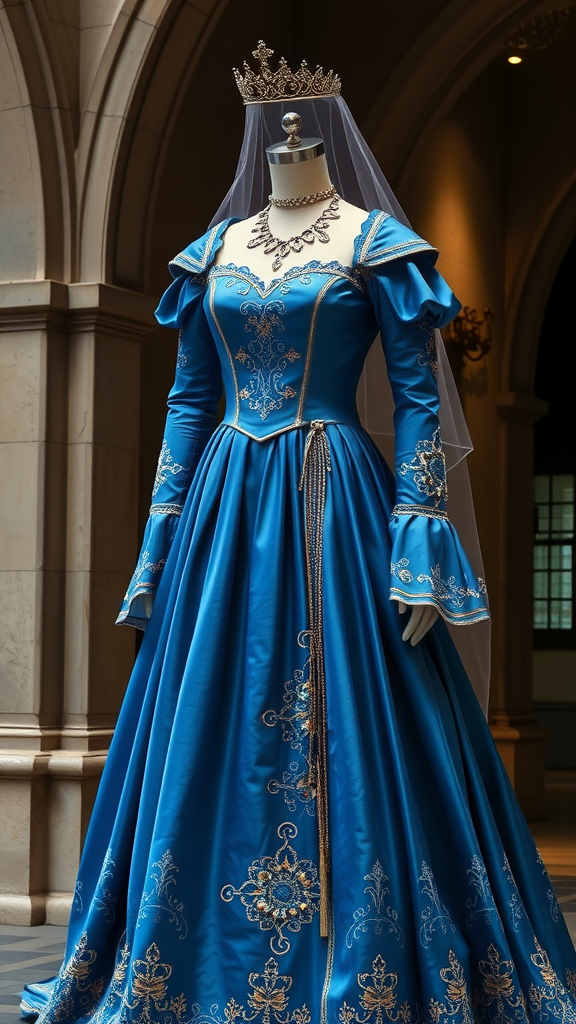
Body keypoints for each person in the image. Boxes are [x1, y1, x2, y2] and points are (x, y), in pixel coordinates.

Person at [22, 42, 576, 1024]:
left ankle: (370, 957)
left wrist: (415, 537)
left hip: (336, 496)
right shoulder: (215, 255)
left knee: (368, 727)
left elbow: (414, 399)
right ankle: (185, 961)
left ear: (320, 136)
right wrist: (157, 549)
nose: (280, 138)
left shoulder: (374, 245)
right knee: (202, 726)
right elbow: (191, 402)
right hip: (225, 510)